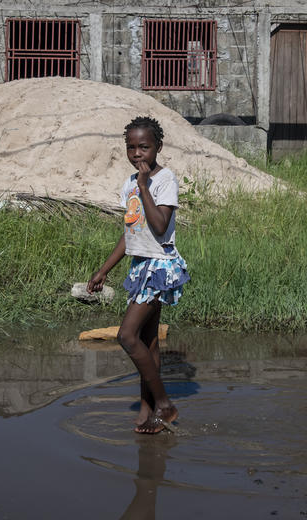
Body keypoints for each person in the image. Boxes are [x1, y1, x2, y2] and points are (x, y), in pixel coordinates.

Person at [89, 116, 190, 434]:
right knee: (149, 342)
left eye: (144, 147)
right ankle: (149, 411)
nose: (137, 154)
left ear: (158, 147)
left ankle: (164, 405)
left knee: (126, 336)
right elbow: (130, 232)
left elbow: (160, 225)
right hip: (140, 266)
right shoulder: (130, 183)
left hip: (158, 267)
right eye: (131, 148)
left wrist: (145, 186)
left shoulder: (163, 180)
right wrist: (104, 269)